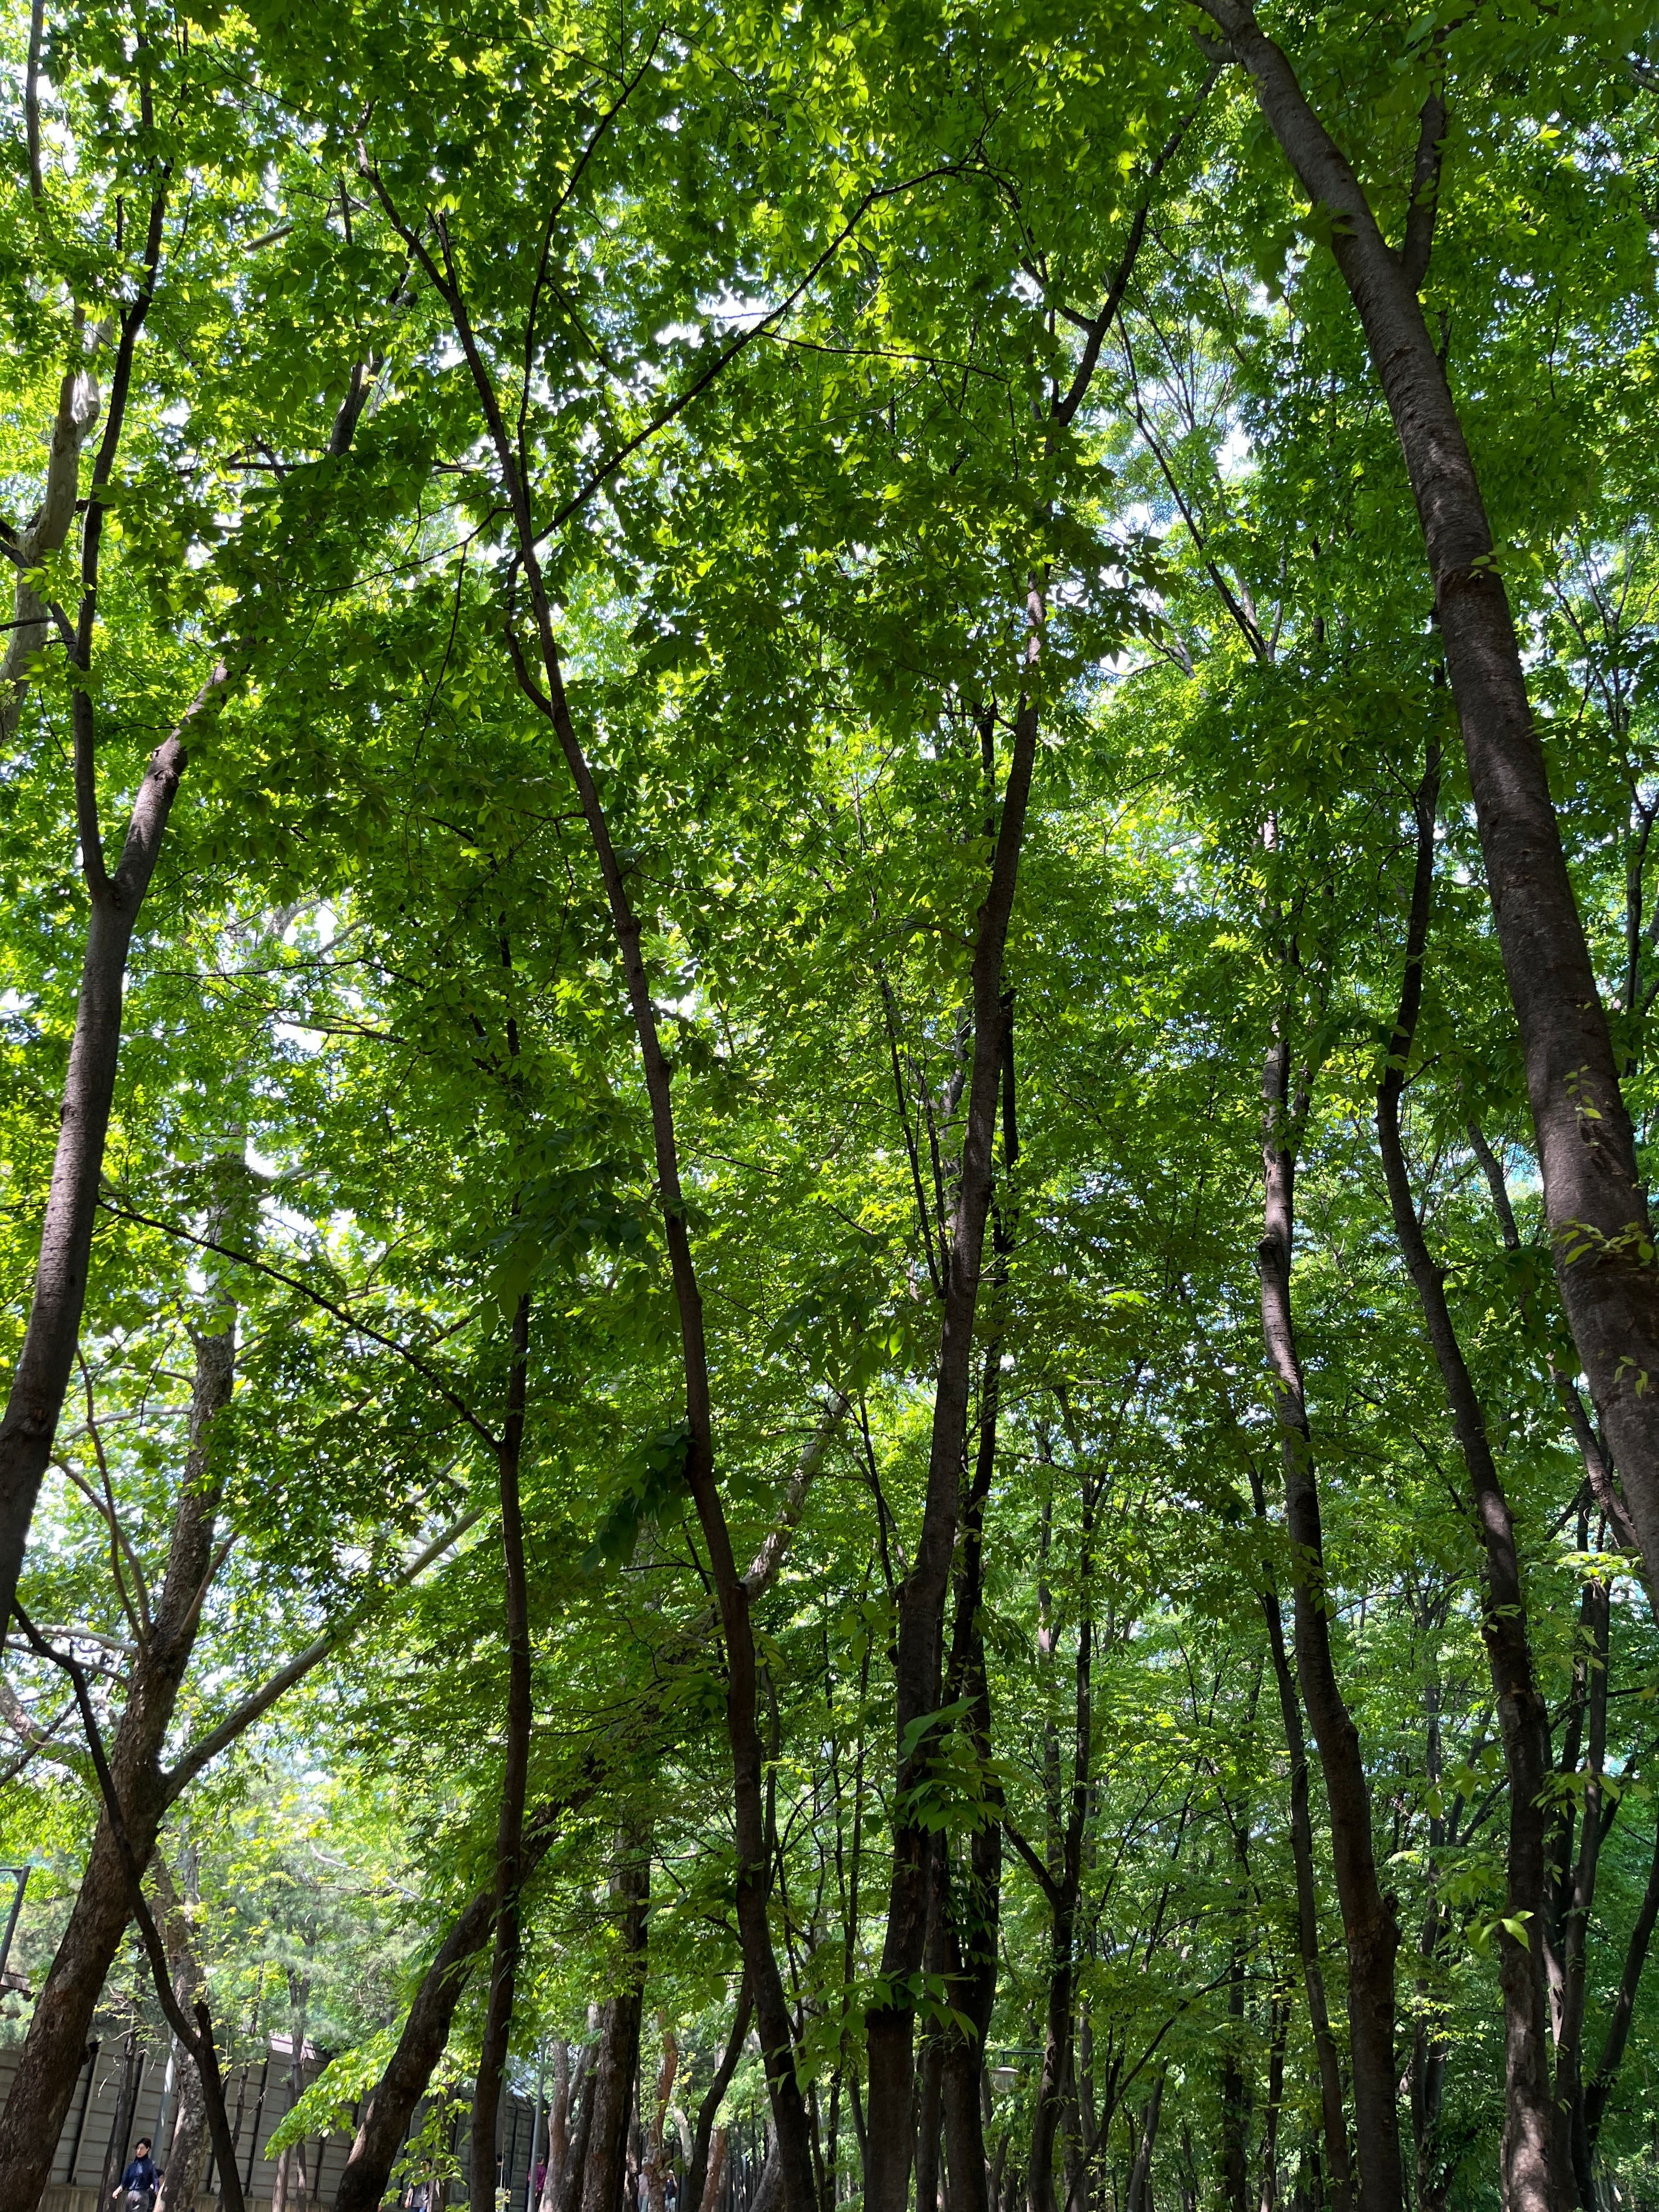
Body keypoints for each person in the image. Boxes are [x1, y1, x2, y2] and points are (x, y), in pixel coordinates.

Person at [112, 2138, 159, 2212]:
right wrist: (118, 2190)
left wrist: (157, 2192)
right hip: (130, 2196)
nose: (139, 2151)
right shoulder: (132, 2166)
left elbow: (155, 2180)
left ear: (147, 2149)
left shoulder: (150, 2164)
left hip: (142, 2195)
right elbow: (125, 2181)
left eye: (142, 2149)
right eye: (137, 2149)